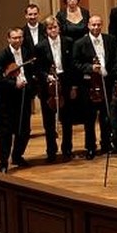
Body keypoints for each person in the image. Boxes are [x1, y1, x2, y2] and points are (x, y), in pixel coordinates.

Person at [0, 27, 37, 173]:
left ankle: (17, 156)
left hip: (24, 96)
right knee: (6, 133)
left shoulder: (27, 52)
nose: (18, 40)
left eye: (20, 37)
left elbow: (32, 72)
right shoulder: (2, 56)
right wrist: (13, 84)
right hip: (7, 100)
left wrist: (31, 87)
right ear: (9, 39)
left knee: (24, 130)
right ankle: (3, 163)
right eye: (14, 38)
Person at [72, 14, 117, 159]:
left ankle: (106, 143)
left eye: (98, 24)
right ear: (88, 26)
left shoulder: (110, 40)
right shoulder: (80, 43)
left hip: (106, 83)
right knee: (89, 118)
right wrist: (90, 68)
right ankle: (90, 147)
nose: (96, 27)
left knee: (106, 116)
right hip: (89, 85)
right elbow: (75, 63)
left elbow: (115, 60)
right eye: (93, 25)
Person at [36, 16, 77, 162]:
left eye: (55, 27)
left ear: (59, 28)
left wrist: (73, 86)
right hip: (48, 85)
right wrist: (47, 76)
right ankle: (51, 151)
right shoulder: (40, 46)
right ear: (46, 31)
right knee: (49, 121)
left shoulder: (68, 42)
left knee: (67, 119)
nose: (53, 30)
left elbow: (72, 66)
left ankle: (67, 149)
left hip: (65, 81)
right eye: (50, 28)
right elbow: (38, 68)